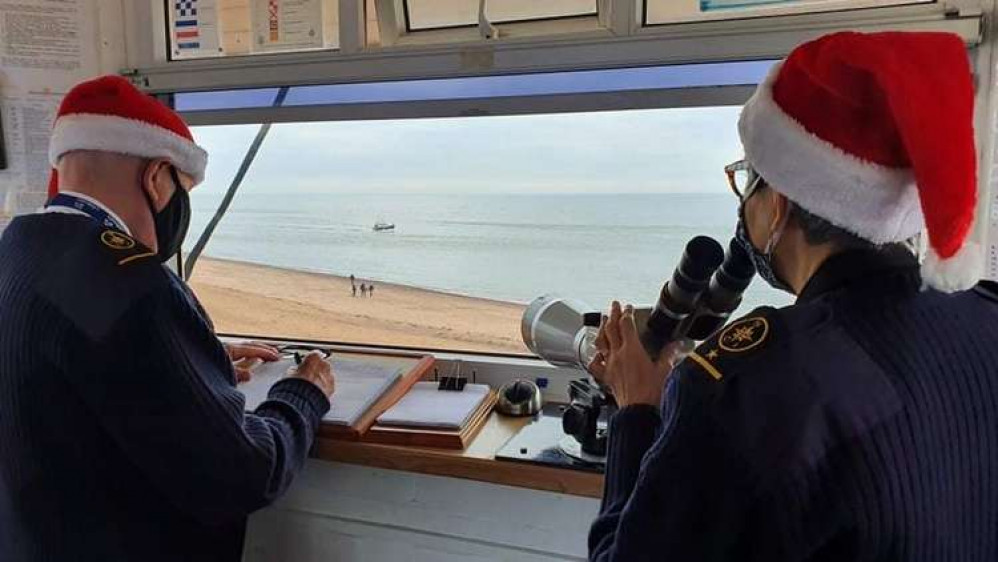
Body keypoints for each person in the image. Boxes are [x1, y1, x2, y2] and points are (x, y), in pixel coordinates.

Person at [587, 32, 998, 560]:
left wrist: (637, 410)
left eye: (747, 184)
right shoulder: (985, 316)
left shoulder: (739, 389)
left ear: (777, 204)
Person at [0, 76, 336, 562]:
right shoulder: (132, 280)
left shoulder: (17, 248)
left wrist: (201, 362)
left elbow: (73, 378)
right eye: (182, 188)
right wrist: (304, 393)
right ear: (156, 177)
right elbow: (243, 472)